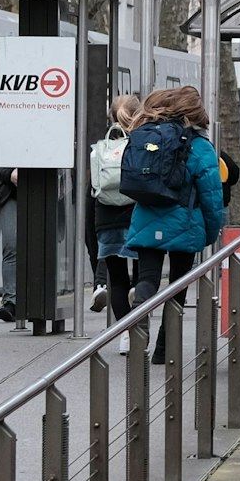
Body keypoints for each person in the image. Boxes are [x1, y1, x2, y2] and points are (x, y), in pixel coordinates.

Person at [124, 86, 225, 364]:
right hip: (185, 223)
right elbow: (212, 195)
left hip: (146, 219)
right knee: (177, 287)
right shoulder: (199, 146)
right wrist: (210, 231)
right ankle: (163, 351)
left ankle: (138, 326)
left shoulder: (146, 135)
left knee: (147, 279)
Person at [87, 94, 143, 351]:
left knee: (117, 280)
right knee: (143, 275)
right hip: (137, 217)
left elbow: (92, 191)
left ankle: (126, 334)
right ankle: (138, 298)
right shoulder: (142, 144)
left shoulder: (101, 148)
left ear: (111, 117)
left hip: (107, 219)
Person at [0, 166, 19, 321]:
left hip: (42, 188)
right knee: (11, 247)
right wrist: (9, 173)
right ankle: (10, 302)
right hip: (9, 192)